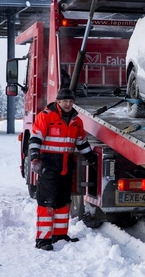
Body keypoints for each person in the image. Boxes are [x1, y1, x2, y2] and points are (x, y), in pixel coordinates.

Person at [29, 88, 94, 251]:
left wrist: (91, 157)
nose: (68, 104)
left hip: (66, 165)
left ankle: (60, 234)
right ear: (58, 102)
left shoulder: (76, 121)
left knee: (63, 202)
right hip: (49, 165)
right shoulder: (46, 116)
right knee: (46, 202)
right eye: (65, 101)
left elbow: (82, 142)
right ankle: (43, 239)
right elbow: (36, 137)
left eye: (71, 102)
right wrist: (35, 157)